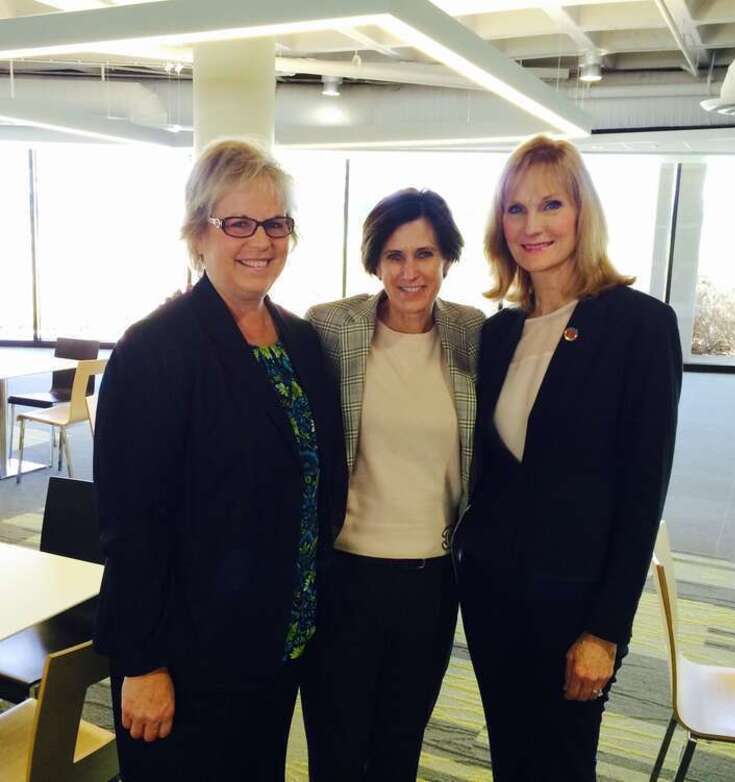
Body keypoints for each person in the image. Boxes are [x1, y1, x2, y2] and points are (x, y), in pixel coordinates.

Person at [93, 138, 347, 782]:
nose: (260, 240)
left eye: (275, 223)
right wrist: (143, 664)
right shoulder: (154, 351)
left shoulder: (301, 340)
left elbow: (319, 481)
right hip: (187, 659)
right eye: (237, 222)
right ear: (197, 234)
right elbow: (133, 525)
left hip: (278, 642)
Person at [453, 136, 682, 781]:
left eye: (550, 204)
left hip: (576, 610)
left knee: (562, 762)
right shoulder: (499, 333)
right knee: (511, 756)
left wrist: (606, 632)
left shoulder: (639, 326)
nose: (533, 225)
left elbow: (643, 494)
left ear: (583, 214)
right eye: (516, 209)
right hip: (494, 596)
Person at [304, 188, 485, 781]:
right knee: (336, 744)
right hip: (345, 575)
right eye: (395, 256)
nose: (411, 273)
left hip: (431, 582)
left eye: (425, 255)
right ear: (375, 263)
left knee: (399, 745)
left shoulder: (473, 333)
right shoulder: (333, 327)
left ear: (447, 260)